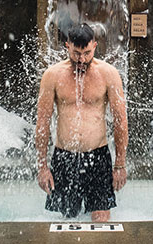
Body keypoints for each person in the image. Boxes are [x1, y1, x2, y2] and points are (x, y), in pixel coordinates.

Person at [35, 23, 128, 222]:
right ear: (67, 46)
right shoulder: (52, 76)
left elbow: (121, 121)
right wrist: (42, 167)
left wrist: (119, 165)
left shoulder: (108, 74)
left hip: (98, 156)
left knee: (101, 221)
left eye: (86, 53)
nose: (82, 59)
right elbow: (42, 123)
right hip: (65, 157)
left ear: (94, 45)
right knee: (67, 222)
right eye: (76, 53)